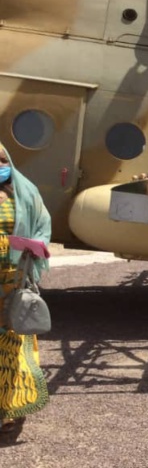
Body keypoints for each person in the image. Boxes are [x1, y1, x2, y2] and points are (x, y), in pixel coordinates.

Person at [0, 143, 51, 445]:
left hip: (14, 285)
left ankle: (11, 414)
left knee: (14, 350)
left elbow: (42, 229)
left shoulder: (26, 193)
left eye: (1, 159)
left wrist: (33, 247)